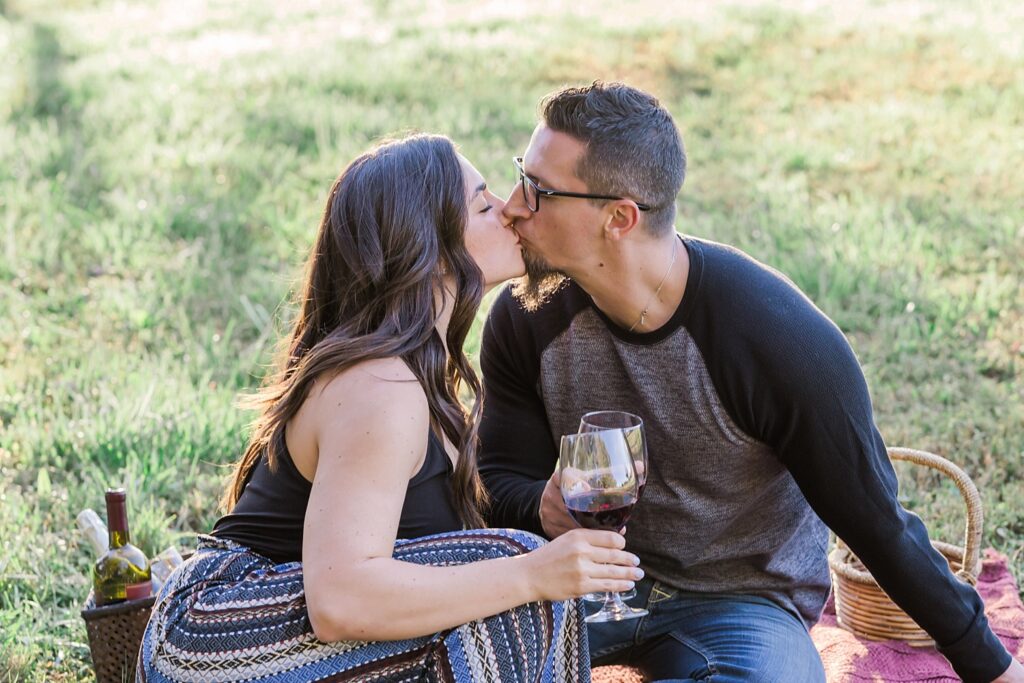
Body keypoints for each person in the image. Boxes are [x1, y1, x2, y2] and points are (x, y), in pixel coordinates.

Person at [478, 82, 1024, 683]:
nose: (512, 205)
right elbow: (498, 477)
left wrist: (991, 667)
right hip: (574, 584)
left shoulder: (776, 338)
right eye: (519, 177)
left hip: (736, 603)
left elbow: (877, 523)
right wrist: (542, 506)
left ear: (619, 217)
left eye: (540, 191)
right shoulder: (525, 315)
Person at [137, 134, 644, 683]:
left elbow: (431, 565)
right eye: (481, 204)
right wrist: (531, 570)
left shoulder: (416, 372)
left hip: (279, 640)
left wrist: (537, 537)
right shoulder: (379, 387)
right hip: (212, 639)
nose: (509, 209)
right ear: (426, 246)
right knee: (513, 568)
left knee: (509, 572)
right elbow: (342, 601)